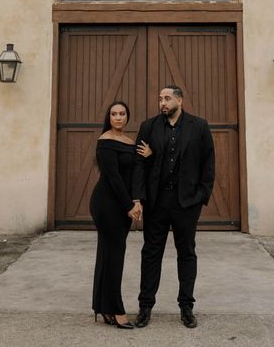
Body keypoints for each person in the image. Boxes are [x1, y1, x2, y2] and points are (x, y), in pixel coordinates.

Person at [131, 85, 215, 329]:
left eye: (167, 98)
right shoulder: (149, 126)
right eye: (160, 99)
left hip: (187, 203)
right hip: (157, 201)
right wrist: (138, 198)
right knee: (151, 253)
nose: (162, 103)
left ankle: (186, 307)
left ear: (180, 100)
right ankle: (145, 307)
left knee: (186, 253)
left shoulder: (199, 126)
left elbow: (209, 163)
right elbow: (139, 164)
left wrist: (201, 195)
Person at [89, 101, 151, 329]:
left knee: (109, 254)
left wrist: (148, 155)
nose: (118, 117)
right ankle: (115, 310)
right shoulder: (105, 141)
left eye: (122, 113)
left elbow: (136, 170)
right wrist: (129, 205)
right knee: (114, 255)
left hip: (122, 205)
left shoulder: (129, 141)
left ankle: (103, 307)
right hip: (106, 205)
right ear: (108, 117)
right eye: (114, 114)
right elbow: (114, 177)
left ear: (127, 116)